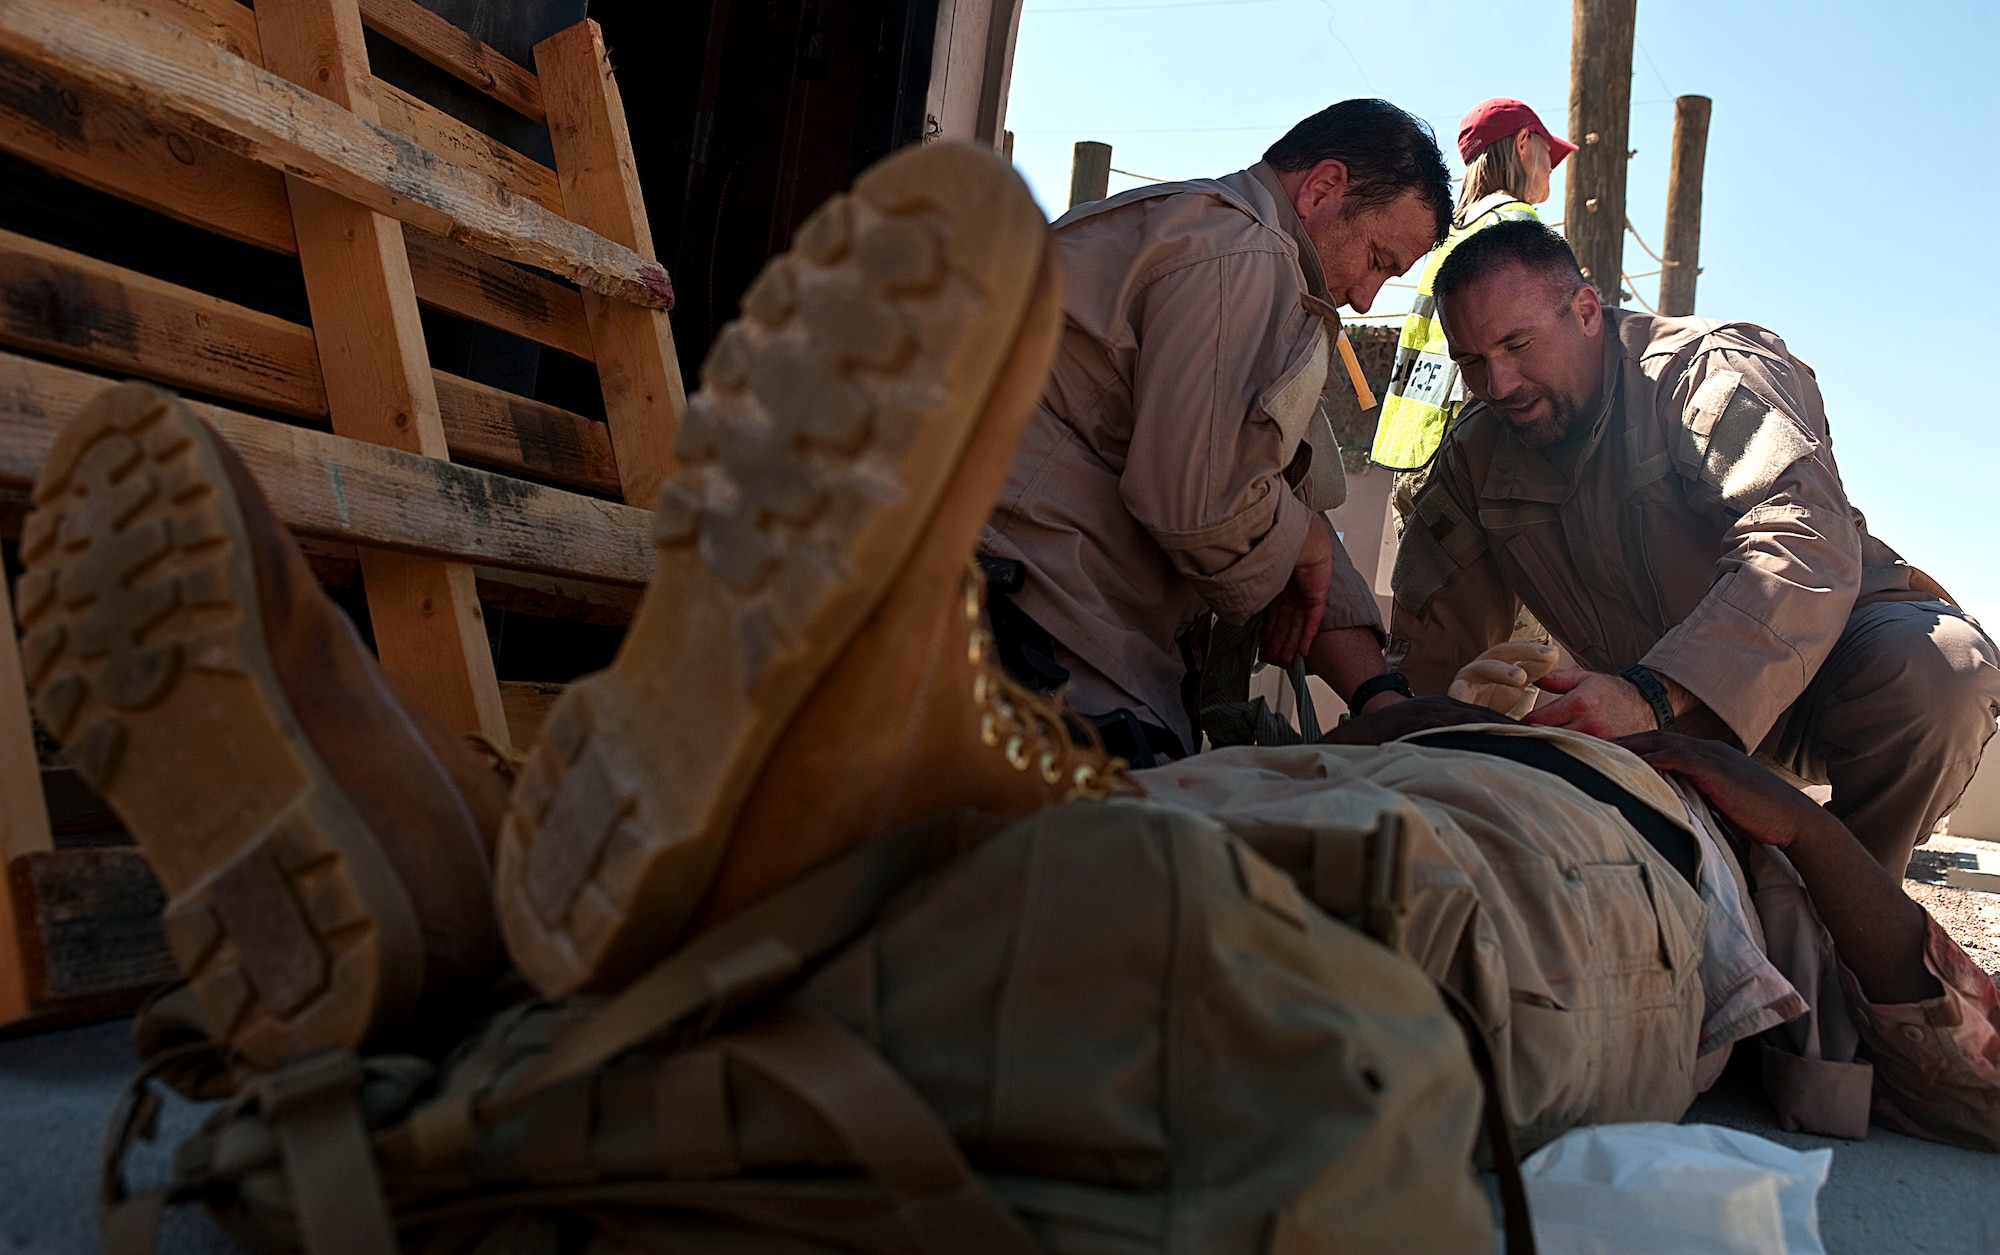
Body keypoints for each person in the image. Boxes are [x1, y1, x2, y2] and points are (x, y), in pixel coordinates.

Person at [36, 145, 1999, 1254]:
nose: (1488, 374)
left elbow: (1794, 582)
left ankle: (522, 938)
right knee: (1232, 860)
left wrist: (1692, 762)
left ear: (1587, 302)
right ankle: (521, 936)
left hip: (1744, 736)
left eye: (1506, 338)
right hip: (1559, 797)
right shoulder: (1471, 428)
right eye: (1457, 345)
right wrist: (1408, 667)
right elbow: (1412, 598)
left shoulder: (1708, 371)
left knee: (1304, 897)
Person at [1388, 219, 2000, 877]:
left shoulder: (1705, 377)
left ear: (1587, 311)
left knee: (1942, 671)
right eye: (1472, 362)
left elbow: (1799, 538)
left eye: (1518, 344)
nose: (1499, 383)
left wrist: (1649, 693)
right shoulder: (1478, 454)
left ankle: (1853, 913)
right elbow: (1434, 642)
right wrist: (1390, 747)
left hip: (1829, 664)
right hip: (1673, 721)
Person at [978, 98, 1453, 766]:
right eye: (1377, 258)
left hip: (1053, 610)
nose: (1369, 297)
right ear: (1321, 188)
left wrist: (1378, 691)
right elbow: (1206, 504)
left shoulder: (1239, 253)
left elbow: (1284, 486)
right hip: (1025, 619)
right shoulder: (1242, 256)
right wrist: (1306, 543)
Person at [1371, 97, 1575, 483]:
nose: (1552, 168)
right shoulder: (1515, 221)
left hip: (1420, 445)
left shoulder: (1448, 234)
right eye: (1549, 154)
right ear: (1522, 143)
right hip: (1481, 449)